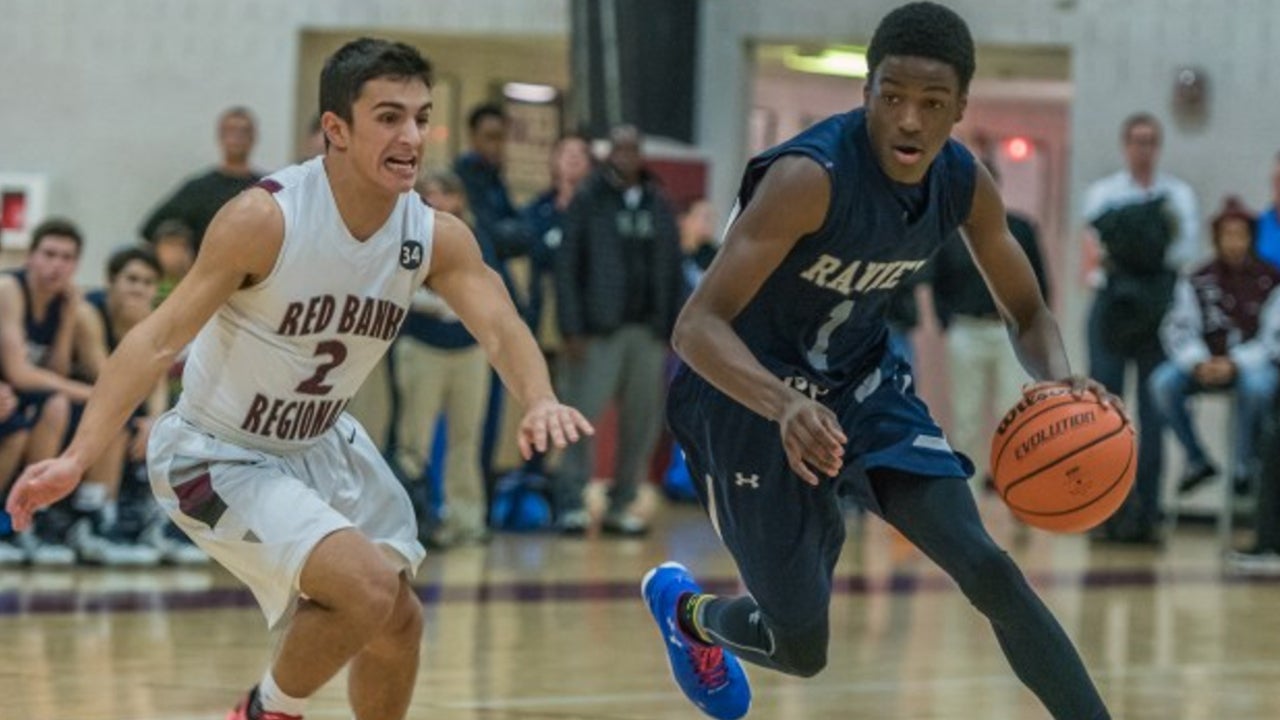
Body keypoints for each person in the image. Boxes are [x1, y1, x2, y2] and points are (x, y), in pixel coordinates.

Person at [6, 38, 591, 720]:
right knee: (368, 591)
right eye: (389, 117)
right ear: (335, 129)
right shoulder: (266, 218)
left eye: (422, 117)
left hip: (321, 444)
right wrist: (78, 457)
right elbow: (155, 338)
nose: (412, 137)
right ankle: (265, 712)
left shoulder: (433, 234)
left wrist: (539, 396)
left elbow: (499, 323)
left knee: (399, 622)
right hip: (216, 452)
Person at [640, 5, 1114, 720]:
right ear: (866, 93)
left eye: (931, 104)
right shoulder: (810, 177)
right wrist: (784, 404)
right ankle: (689, 615)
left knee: (987, 567)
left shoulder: (963, 181)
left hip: (861, 387)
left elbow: (1027, 311)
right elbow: (696, 326)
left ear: (959, 109)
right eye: (891, 97)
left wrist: (1060, 381)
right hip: (747, 399)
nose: (910, 121)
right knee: (800, 648)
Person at [554, 124, 684, 536]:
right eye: (619, 149)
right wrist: (572, 327)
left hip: (647, 333)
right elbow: (567, 266)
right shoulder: (588, 199)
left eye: (633, 148)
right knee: (581, 417)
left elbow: (673, 268)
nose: (626, 156)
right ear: (609, 153)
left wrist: (670, 327)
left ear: (641, 153)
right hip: (597, 331)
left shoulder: (658, 202)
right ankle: (573, 502)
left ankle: (622, 504)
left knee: (641, 423)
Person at [1081, 112, 1198, 544]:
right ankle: (1106, 512)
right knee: (1105, 413)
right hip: (1112, 306)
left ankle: (1147, 513)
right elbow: (1094, 256)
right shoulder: (1101, 193)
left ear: (1158, 146)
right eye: (1136, 140)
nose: (1142, 148)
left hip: (1157, 309)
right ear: (1125, 145)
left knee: (1155, 413)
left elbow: (1181, 252)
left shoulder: (1179, 195)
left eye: (1150, 141)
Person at [930, 166, 1051, 494]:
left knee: (1014, 412)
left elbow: (1038, 281)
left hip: (1008, 331)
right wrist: (947, 322)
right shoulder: (950, 233)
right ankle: (965, 494)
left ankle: (1018, 488)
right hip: (965, 330)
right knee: (965, 415)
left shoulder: (1021, 229)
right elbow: (936, 283)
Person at [1150, 197, 1280, 495]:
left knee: (1259, 387)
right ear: (1217, 238)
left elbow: (1274, 337)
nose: (1234, 243)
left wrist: (1235, 362)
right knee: (1162, 383)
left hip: (1251, 363)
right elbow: (1178, 327)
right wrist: (1198, 361)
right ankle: (1197, 458)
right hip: (1204, 362)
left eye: (1240, 235)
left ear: (1250, 238)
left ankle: (1244, 464)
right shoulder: (1197, 277)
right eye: (1228, 235)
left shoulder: (1271, 279)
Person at [0, 218, 94, 565]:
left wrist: (69, 317)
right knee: (19, 420)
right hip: (8, 387)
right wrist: (88, 393)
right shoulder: (10, 289)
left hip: (14, 394)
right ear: (30, 256)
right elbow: (19, 372)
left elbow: (54, 372)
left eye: (67, 258)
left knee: (56, 406)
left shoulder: (64, 303)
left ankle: (28, 519)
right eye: (49, 254)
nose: (57, 265)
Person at [139, 106, 263, 253]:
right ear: (220, 136)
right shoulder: (197, 188)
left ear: (254, 137)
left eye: (243, 132)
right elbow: (151, 228)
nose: (236, 138)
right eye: (230, 131)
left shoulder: (265, 188)